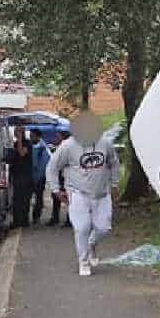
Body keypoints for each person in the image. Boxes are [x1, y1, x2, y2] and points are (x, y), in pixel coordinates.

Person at [48, 116, 120, 276]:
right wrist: (56, 189)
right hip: (77, 192)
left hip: (102, 192)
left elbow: (114, 162)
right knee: (82, 228)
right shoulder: (67, 146)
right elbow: (52, 167)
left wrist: (114, 183)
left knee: (104, 228)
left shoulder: (105, 143)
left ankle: (92, 243)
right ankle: (84, 261)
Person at [4, 126, 34, 228]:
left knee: (23, 199)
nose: (15, 133)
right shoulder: (16, 143)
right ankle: (17, 220)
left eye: (17, 132)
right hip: (17, 174)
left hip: (24, 176)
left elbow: (22, 153)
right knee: (16, 200)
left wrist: (20, 140)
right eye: (15, 132)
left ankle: (23, 221)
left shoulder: (26, 143)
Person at [45, 130, 70, 226]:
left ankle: (68, 219)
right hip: (59, 176)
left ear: (63, 137)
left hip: (65, 176)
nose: (56, 138)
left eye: (58, 136)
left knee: (68, 197)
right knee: (57, 197)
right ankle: (56, 218)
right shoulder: (59, 147)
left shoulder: (66, 148)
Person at [28, 129, 51, 225]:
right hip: (29, 177)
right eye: (30, 136)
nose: (30, 138)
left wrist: (39, 177)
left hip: (40, 178)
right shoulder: (29, 146)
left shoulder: (43, 148)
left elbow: (45, 164)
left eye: (32, 136)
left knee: (39, 198)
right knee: (27, 198)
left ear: (38, 137)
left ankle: (36, 217)